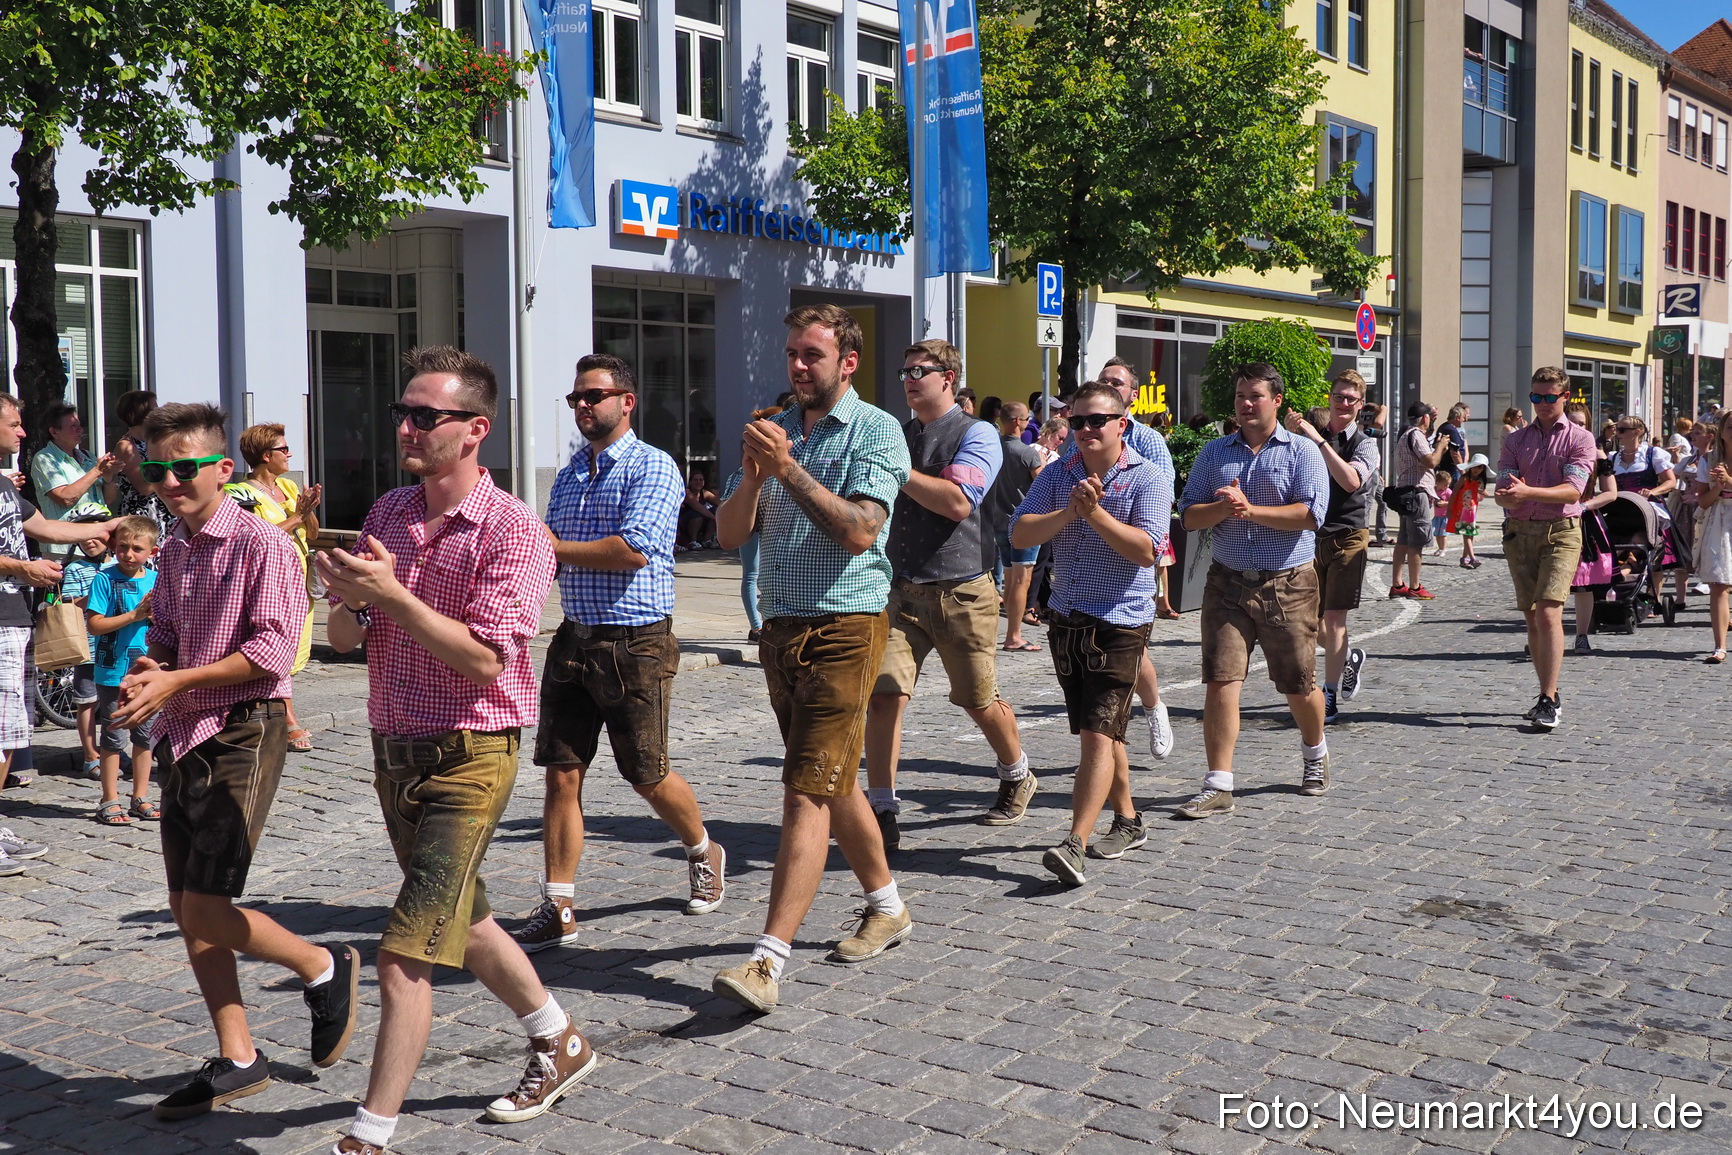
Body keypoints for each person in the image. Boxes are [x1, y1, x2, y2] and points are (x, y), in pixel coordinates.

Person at [317, 347, 592, 1153]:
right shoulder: (388, 511)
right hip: (393, 745)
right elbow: (343, 636)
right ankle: (558, 1035)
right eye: (402, 411)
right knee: (463, 916)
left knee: (405, 950)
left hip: (471, 752)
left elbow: (484, 657)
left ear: (475, 429)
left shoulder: (514, 531)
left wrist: (392, 596)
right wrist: (344, 596)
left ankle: (370, 1132)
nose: (404, 426)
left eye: (423, 415)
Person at [105, 403, 354, 1121]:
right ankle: (239, 1055)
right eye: (158, 469)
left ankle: (322, 964)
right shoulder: (176, 548)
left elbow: (274, 655)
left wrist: (177, 679)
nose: (172, 480)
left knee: (210, 903)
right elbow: (174, 636)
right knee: (188, 909)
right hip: (186, 727)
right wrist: (157, 665)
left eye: (185, 467)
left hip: (246, 727)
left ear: (221, 468)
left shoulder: (263, 545)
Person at [710, 304, 913, 1013]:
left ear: (847, 361)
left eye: (812, 356)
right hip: (782, 626)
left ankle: (767, 960)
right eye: (792, 353)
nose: (798, 366)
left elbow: (860, 531)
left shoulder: (876, 430)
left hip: (847, 622)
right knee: (830, 779)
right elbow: (732, 532)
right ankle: (886, 904)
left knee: (803, 787)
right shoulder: (778, 427)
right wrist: (754, 476)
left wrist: (787, 468)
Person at [513, 352, 726, 956]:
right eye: (576, 397)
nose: (583, 406)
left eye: (594, 396)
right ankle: (559, 904)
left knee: (647, 775)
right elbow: (546, 553)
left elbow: (634, 549)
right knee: (560, 772)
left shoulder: (654, 467)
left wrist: (554, 546)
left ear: (626, 402)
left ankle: (702, 849)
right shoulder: (574, 470)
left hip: (635, 642)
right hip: (574, 635)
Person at [864, 339, 1030, 847]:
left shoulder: (977, 433)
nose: (911, 379)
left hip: (963, 592)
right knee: (885, 696)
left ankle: (1017, 772)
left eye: (922, 370)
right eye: (906, 371)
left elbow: (959, 501)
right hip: (901, 589)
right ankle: (882, 807)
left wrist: (897, 471)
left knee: (978, 700)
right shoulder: (895, 432)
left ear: (948, 377)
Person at [1010, 382, 1170, 883]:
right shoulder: (1059, 473)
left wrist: (1095, 513)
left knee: (1098, 735)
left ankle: (1074, 842)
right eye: (1076, 421)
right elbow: (1019, 533)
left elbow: (1147, 550)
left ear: (1123, 424)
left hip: (1120, 620)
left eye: (1096, 420)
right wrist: (1070, 512)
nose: (1084, 430)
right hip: (1066, 616)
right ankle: (1129, 820)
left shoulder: (1148, 477)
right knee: (1097, 728)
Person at [1173, 364, 1332, 819]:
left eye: (1255, 395)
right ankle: (1217, 783)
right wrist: (1222, 508)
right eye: (1241, 395)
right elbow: (1187, 517)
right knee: (1222, 679)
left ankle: (1315, 752)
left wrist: (1250, 509)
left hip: (1288, 582)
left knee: (1298, 684)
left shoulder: (1301, 452)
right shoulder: (1213, 453)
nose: (1245, 403)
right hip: (1226, 581)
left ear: (1276, 400)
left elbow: (1309, 515)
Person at [0, 393, 122, 873]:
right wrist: (21, 568)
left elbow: (48, 524)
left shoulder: (5, 487)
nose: (22, 431)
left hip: (14, 619)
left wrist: (111, 524)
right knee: (2, 732)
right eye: (14, 422)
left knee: (11, 731)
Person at [1495, 367, 1598, 730]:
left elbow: (1573, 491)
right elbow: (1504, 488)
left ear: (1565, 397)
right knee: (1532, 616)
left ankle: (1549, 697)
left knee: (1549, 612)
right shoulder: (1515, 440)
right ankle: (1545, 691)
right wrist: (1506, 495)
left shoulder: (1580, 439)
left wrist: (1526, 492)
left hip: (1562, 532)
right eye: (1535, 397)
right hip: (1520, 532)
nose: (1541, 404)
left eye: (1549, 397)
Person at [1096, 356, 1181, 758]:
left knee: (1132, 651)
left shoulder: (1149, 442)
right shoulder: (1085, 432)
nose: (1111, 386)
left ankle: (1151, 707)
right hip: (1085, 560)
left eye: (1118, 382)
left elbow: (1160, 497)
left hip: (1131, 560)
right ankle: (1104, 739)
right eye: (1104, 380)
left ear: (1132, 395)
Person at [1282, 370, 1379, 725]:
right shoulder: (1312, 436)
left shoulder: (1366, 444)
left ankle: (1330, 693)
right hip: (1312, 535)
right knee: (1306, 620)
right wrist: (1292, 433)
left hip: (1349, 537)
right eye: (1338, 396)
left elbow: (1351, 481)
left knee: (1334, 618)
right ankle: (1347, 657)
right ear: (1330, 397)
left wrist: (1316, 440)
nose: (1343, 403)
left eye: (1351, 399)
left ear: (1360, 405)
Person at [231, 424, 322, 752]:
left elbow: (310, 534)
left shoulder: (287, 485)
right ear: (266, 456)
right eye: (284, 450)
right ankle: (288, 719)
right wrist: (297, 517)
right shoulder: (241, 494)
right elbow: (255, 539)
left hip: (298, 579)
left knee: (295, 652)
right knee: (276, 650)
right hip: (268, 584)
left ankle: (274, 713)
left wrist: (307, 512)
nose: (290, 454)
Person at [84, 515, 159, 825]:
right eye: (123, 547)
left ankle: (139, 796)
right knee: (114, 737)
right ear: (114, 546)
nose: (129, 554)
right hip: (113, 669)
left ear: (151, 552)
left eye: (136, 549)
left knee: (145, 736)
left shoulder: (156, 580)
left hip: (145, 670)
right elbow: (95, 624)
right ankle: (109, 798)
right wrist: (134, 615)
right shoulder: (104, 579)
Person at [59, 514, 112, 780]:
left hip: (116, 646)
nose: (89, 541)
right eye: (82, 535)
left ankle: (113, 750)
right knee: (87, 701)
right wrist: (97, 593)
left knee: (116, 702)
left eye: (96, 534)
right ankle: (90, 755)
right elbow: (69, 603)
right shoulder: (75, 569)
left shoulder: (118, 563)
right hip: (88, 646)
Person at [31, 403, 119, 559]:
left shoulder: (88, 457)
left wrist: (108, 477)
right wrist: (97, 471)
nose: (80, 430)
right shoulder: (45, 459)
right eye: (73, 426)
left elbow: (107, 500)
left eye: (80, 425)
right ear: (54, 431)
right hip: (64, 548)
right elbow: (65, 498)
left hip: (96, 544)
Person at [990, 401, 1045, 650]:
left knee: (1010, 579)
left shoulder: (991, 449)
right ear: (1016, 422)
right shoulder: (1027, 453)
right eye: (1025, 419)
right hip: (1024, 523)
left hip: (998, 520)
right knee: (1022, 580)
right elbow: (1045, 486)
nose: (1028, 423)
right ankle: (1014, 635)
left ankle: (1010, 633)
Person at [1389, 403, 1452, 599]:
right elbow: (1431, 461)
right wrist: (1441, 447)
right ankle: (1415, 587)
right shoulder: (1416, 435)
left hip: (1406, 493)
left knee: (1404, 540)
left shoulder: (1405, 435)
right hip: (1417, 493)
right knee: (1416, 542)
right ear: (1424, 419)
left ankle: (1397, 584)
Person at [1692, 415, 1732, 663]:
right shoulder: (1709, 459)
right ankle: (1720, 646)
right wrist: (1718, 486)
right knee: (1719, 583)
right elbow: (1703, 501)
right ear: (1722, 431)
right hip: (1720, 519)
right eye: (1730, 426)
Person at [109, 390, 174, 541]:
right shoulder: (126, 446)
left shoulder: (154, 441)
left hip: (163, 510)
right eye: (154, 408)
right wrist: (168, 465)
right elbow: (145, 487)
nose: (158, 412)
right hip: (144, 513)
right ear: (140, 413)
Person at [1449, 456, 1491, 569]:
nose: (1476, 469)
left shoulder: (1479, 481)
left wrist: (1482, 491)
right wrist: (1449, 509)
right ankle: (1472, 558)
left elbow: (1484, 494)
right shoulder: (1464, 478)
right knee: (1467, 535)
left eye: (1480, 467)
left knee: (1470, 535)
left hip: (1472, 513)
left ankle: (1464, 559)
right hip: (1462, 511)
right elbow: (1454, 493)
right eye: (1475, 466)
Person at [678, 468, 718, 551]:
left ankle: (707, 540)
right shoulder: (687, 492)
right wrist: (716, 518)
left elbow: (721, 504)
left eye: (701, 480)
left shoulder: (705, 493)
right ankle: (693, 541)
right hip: (684, 523)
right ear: (690, 482)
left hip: (700, 522)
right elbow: (698, 507)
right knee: (697, 514)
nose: (698, 482)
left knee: (717, 511)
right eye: (695, 480)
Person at [1437, 402, 1469, 484]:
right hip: (1452, 468)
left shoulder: (1444, 426)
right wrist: (1461, 469)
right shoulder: (1451, 430)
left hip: (1447, 467)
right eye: (1462, 417)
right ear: (1457, 418)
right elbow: (1455, 452)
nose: (1463, 420)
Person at [1430, 470, 1454, 558]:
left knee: (1443, 534)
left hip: (1445, 516)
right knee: (1437, 533)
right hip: (1437, 516)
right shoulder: (1434, 491)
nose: (1447, 486)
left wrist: (1445, 503)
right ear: (1437, 483)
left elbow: (1453, 501)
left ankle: (1443, 549)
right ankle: (1439, 548)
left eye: (1448, 484)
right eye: (1445, 484)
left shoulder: (1448, 492)